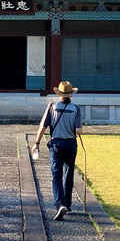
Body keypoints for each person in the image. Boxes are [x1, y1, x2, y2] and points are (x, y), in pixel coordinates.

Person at [35, 80, 84, 220]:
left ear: (59, 94)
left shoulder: (52, 106)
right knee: (69, 174)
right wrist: (79, 130)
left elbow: (43, 127)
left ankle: (60, 204)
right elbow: (78, 130)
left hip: (56, 144)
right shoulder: (76, 109)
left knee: (56, 175)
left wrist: (37, 143)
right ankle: (67, 205)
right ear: (71, 95)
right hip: (70, 144)